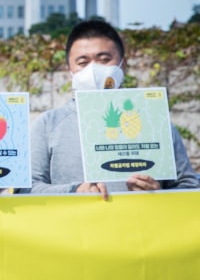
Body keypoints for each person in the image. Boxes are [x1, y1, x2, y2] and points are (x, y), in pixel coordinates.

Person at [30, 19, 199, 198]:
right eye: (83, 62)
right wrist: (75, 191)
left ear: (123, 65)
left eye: (104, 59)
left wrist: (158, 192)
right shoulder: (48, 124)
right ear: (69, 70)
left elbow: (189, 185)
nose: (93, 69)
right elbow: (27, 188)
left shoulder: (156, 121)